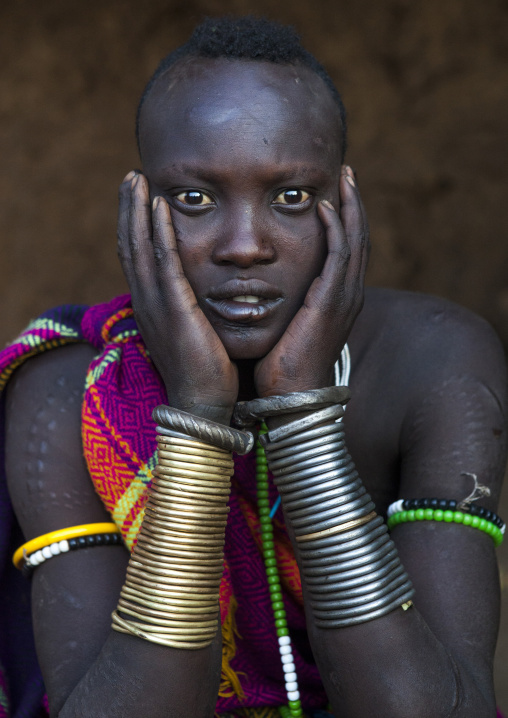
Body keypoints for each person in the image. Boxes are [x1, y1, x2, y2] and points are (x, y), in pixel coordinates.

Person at [0, 15, 506, 718]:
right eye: (194, 199)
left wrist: (300, 411)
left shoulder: (436, 362)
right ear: (139, 211)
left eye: (292, 197)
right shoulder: (69, 393)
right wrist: (199, 416)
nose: (244, 246)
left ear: (344, 203)